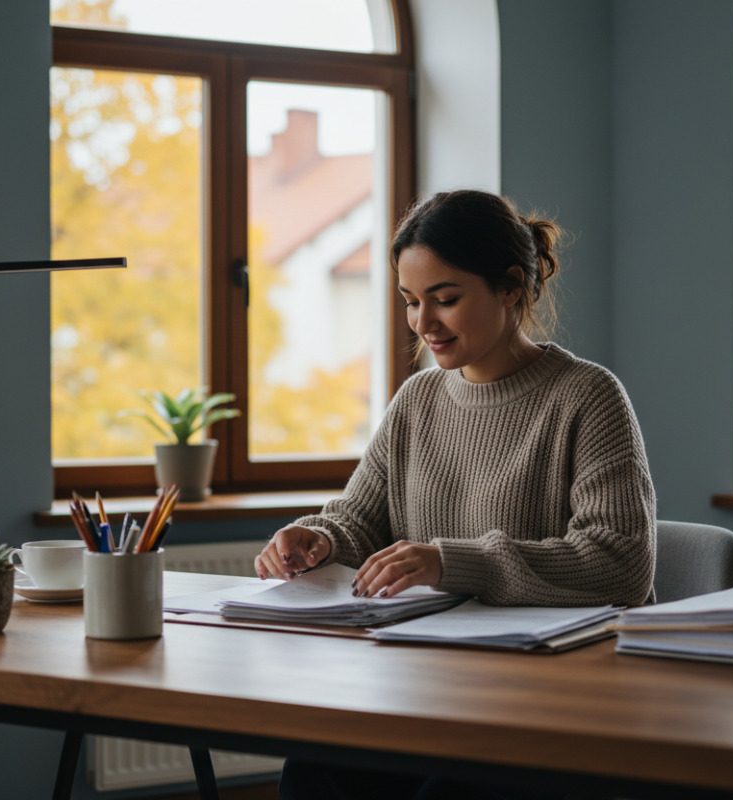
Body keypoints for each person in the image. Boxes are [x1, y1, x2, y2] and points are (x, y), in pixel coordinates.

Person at [256, 189, 657, 800]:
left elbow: (620, 564)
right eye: (411, 302)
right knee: (312, 770)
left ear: (512, 288)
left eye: (445, 300)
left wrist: (451, 561)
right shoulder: (416, 401)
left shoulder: (587, 396)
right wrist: (317, 539)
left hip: (558, 697)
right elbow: (359, 520)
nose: (423, 324)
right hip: (433, 686)